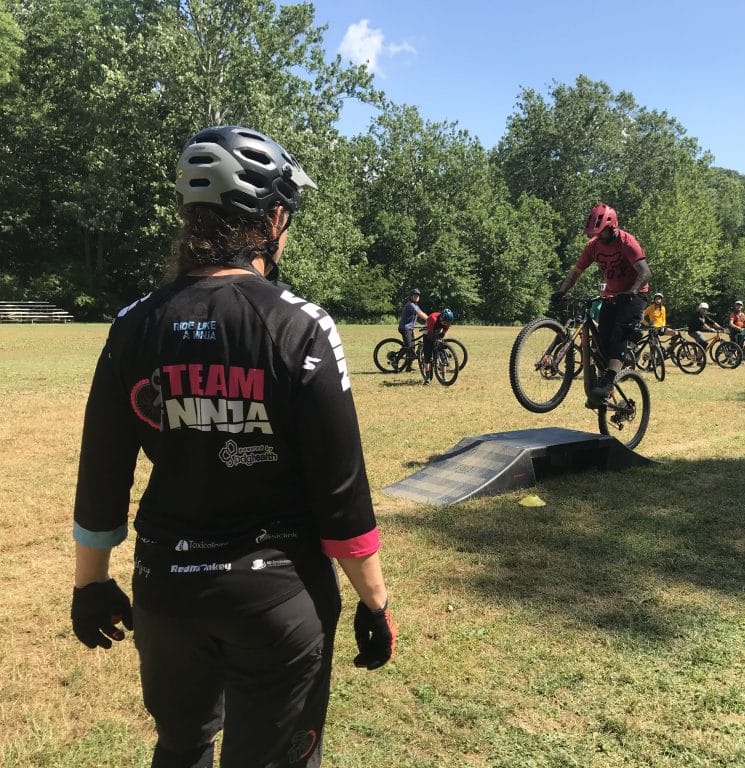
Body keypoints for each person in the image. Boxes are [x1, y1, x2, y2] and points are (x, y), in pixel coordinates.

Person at [70, 125, 394, 768]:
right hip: (277, 596)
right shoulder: (301, 325)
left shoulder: (133, 324)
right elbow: (342, 498)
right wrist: (374, 600)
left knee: (181, 750)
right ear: (273, 218)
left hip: (167, 593)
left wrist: (91, 584)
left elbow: (101, 473)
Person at [550, 203, 652, 403]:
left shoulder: (626, 241)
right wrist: (562, 291)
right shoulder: (592, 247)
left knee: (619, 335)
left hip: (635, 294)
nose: (597, 237)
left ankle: (609, 380)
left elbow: (646, 272)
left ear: (612, 227)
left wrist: (631, 291)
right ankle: (603, 383)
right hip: (611, 296)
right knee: (601, 342)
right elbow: (576, 272)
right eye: (594, 233)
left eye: (601, 232)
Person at [421, 307, 454, 384]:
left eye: (448, 323)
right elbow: (429, 336)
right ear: (442, 318)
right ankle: (427, 377)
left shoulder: (447, 321)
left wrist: (440, 339)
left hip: (437, 330)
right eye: (445, 322)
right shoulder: (433, 319)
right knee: (427, 355)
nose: (446, 324)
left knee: (442, 356)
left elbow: (443, 333)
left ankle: (443, 377)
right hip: (428, 331)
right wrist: (435, 341)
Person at [398, 288, 428, 358]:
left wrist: (429, 319)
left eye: (418, 296)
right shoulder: (410, 305)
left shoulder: (416, 305)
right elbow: (419, 313)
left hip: (410, 329)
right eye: (415, 296)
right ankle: (395, 361)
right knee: (409, 347)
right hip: (405, 328)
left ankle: (408, 366)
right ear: (411, 297)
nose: (417, 297)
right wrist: (430, 320)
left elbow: (422, 313)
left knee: (412, 347)